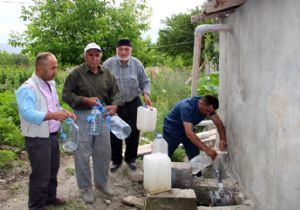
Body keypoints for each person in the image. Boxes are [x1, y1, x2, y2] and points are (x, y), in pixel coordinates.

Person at [62, 43, 122, 204]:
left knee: (103, 152)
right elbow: (66, 95)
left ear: (101, 56)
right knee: (82, 153)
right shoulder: (76, 74)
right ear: (85, 56)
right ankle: (86, 187)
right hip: (82, 116)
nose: (94, 58)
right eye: (90, 55)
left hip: (102, 116)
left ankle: (101, 184)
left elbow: (116, 93)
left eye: (97, 55)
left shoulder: (107, 73)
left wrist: (114, 105)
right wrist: (85, 100)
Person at [15, 52, 76, 210]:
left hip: (52, 136)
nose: (56, 70)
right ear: (40, 68)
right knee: (40, 175)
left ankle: (50, 198)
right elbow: (27, 113)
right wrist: (52, 115)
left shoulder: (50, 83)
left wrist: (64, 112)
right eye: (53, 67)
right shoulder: (27, 88)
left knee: (52, 170)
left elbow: (53, 107)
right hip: (37, 138)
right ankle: (36, 206)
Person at [103, 38, 152, 172]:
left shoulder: (136, 64)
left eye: (126, 49)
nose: (123, 52)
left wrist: (146, 94)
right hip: (114, 104)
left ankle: (131, 159)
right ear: (116, 50)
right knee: (114, 132)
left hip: (133, 102)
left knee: (134, 132)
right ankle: (116, 160)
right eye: (121, 49)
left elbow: (145, 81)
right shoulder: (108, 64)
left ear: (130, 50)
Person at [163, 95, 227, 161]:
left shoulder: (208, 107)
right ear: (201, 104)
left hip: (187, 128)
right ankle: (161, 168)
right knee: (165, 154)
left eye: (211, 112)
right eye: (207, 111)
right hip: (172, 129)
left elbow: (219, 124)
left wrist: (223, 139)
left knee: (194, 153)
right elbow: (189, 134)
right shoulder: (187, 108)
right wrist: (207, 150)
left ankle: (196, 170)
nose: (208, 114)